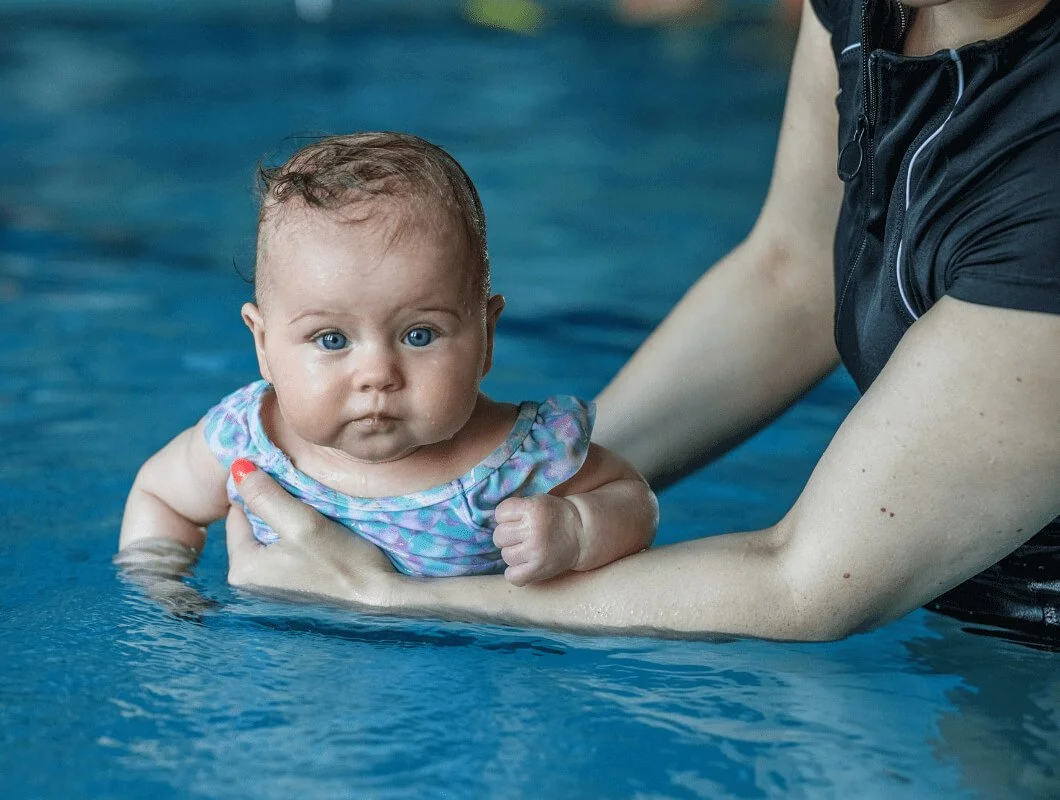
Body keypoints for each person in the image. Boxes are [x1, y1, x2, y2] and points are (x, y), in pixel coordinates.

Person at [221, 0, 1060, 643]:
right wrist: (530, 480)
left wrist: (393, 597)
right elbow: (795, 273)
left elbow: (805, 583)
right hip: (958, 606)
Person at [117, 132, 658, 608]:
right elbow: (160, 495)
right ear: (263, 345)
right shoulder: (246, 441)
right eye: (331, 339)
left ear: (486, 336)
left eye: (419, 335)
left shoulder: (521, 461)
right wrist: (163, 588)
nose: (377, 373)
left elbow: (634, 499)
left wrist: (578, 530)